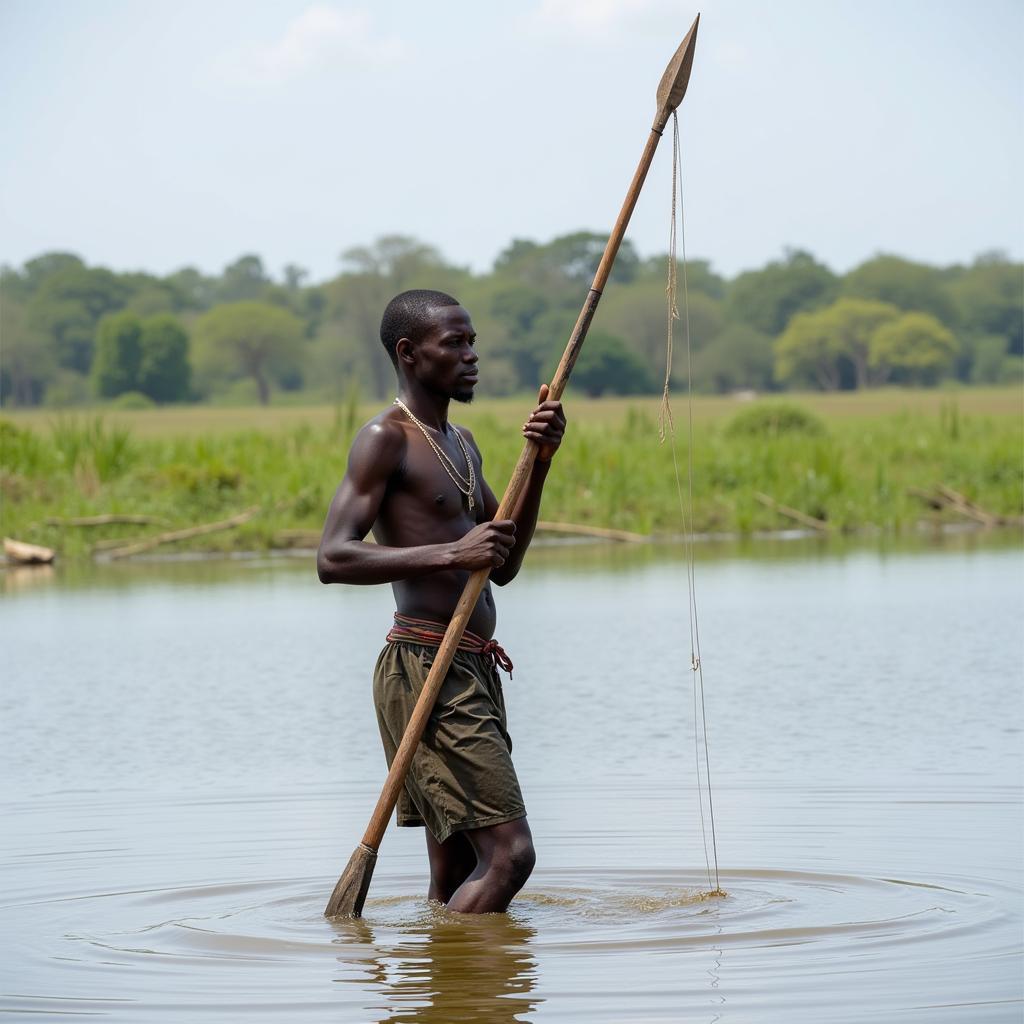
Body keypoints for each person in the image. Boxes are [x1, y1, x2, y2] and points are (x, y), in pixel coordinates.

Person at [317, 289, 566, 913]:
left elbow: (502, 565)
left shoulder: (461, 442)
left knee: (456, 866)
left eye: (472, 341)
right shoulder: (385, 439)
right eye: (453, 343)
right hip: (425, 667)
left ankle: (448, 997)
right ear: (408, 352)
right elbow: (333, 558)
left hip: (473, 664)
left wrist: (537, 463)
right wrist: (450, 554)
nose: (471, 355)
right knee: (511, 855)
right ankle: (465, 987)